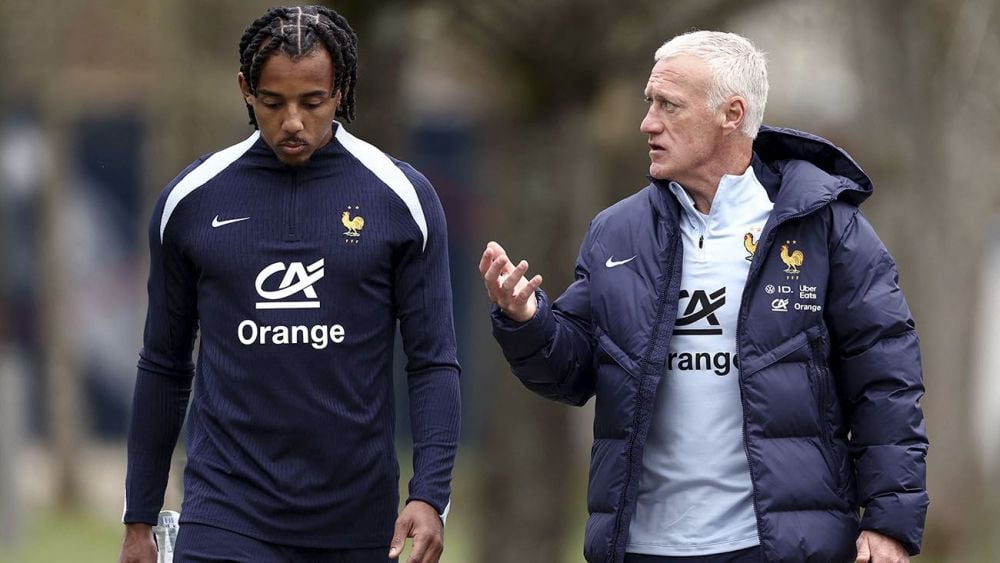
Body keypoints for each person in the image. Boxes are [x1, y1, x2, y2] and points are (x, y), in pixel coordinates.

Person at [480, 31, 927, 563]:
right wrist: (528, 319)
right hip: (644, 547)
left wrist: (888, 524)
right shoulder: (616, 233)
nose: (647, 122)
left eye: (668, 105)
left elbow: (886, 382)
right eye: (650, 103)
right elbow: (575, 374)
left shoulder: (825, 227)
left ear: (731, 114)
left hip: (776, 546)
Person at [119, 6, 460, 563]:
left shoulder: (403, 200)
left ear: (342, 90)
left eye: (312, 102)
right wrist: (139, 519)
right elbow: (163, 363)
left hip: (358, 519)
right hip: (225, 512)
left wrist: (430, 495)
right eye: (273, 103)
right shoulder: (191, 200)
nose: (293, 122)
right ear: (245, 91)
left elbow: (433, 360)